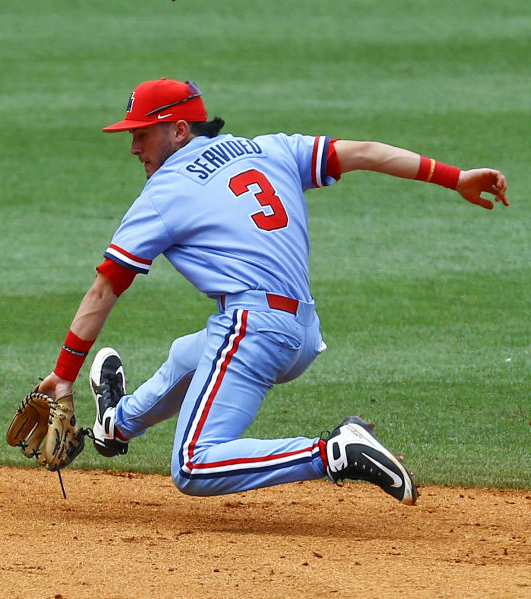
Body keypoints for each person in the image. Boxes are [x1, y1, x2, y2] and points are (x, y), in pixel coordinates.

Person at [38, 78, 509, 506]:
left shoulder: (165, 192)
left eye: (141, 134)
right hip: (302, 331)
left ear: (178, 130)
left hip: (252, 331)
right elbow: (364, 151)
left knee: (193, 464)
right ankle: (113, 426)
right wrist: (455, 176)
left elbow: (105, 289)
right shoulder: (269, 148)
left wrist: (64, 374)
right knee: (187, 356)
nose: (134, 147)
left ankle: (333, 452)